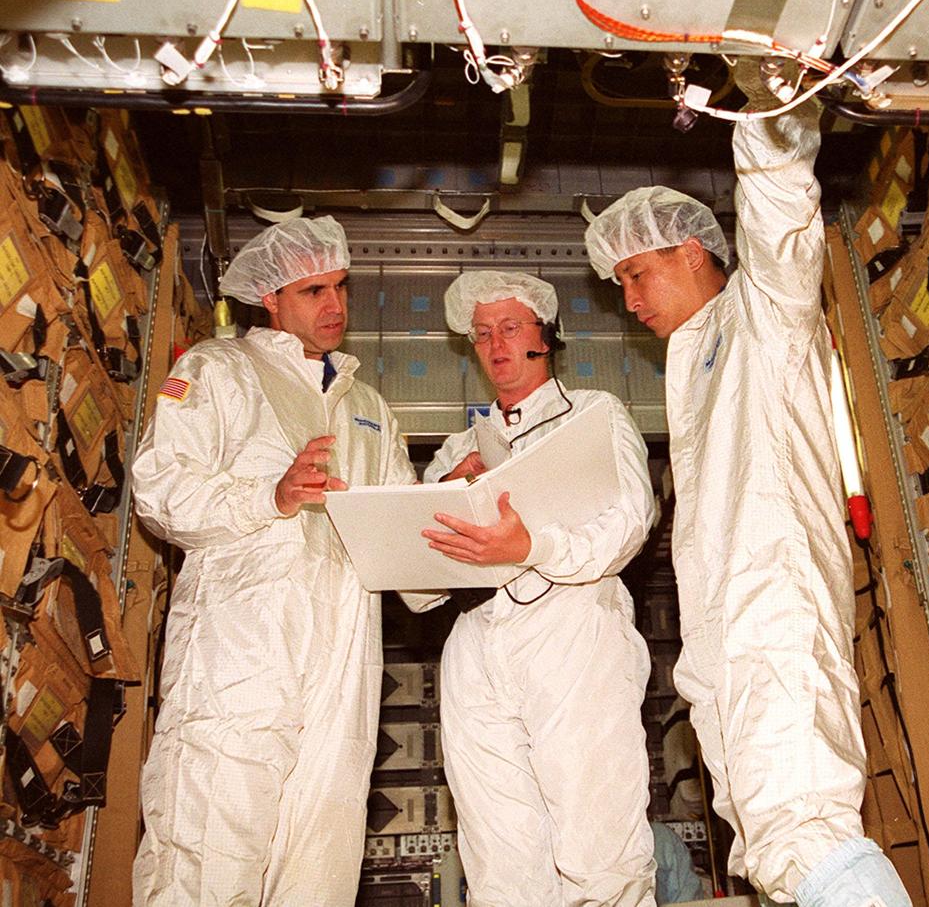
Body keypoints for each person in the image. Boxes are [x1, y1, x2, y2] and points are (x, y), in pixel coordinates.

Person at [583, 81, 913, 906]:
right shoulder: (692, 362)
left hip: (775, 611)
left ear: (693, 250)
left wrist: (769, 89)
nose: (626, 298)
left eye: (636, 272)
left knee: (807, 832)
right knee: (770, 847)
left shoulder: (761, 309)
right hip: (726, 644)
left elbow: (776, 206)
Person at [130, 216, 418, 906]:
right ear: (271, 298)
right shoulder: (216, 368)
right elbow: (159, 485)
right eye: (314, 288)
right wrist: (272, 493)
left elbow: (403, 536)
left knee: (318, 861)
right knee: (209, 849)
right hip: (240, 657)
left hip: (342, 662)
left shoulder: (369, 408)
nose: (336, 305)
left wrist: (455, 512)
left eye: (342, 286)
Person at [418, 270, 658, 906]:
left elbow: (633, 517)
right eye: (482, 333)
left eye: (511, 328)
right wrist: (439, 500)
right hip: (475, 644)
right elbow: (417, 589)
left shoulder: (596, 413)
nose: (496, 344)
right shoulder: (456, 450)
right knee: (499, 859)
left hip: (571, 628)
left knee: (597, 842)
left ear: (544, 336)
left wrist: (535, 548)